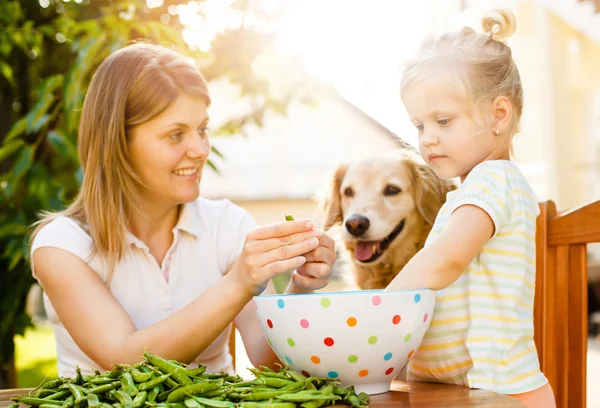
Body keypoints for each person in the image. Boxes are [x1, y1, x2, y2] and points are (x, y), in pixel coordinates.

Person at [29, 42, 335, 378]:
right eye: (176, 135)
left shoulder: (228, 226)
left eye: (202, 129)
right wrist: (237, 284)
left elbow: (268, 361)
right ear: (118, 142)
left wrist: (301, 286)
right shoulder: (61, 246)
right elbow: (124, 360)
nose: (201, 149)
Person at [385, 8, 556, 408]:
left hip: (498, 392)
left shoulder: (495, 180)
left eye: (443, 120)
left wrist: (379, 307)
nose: (427, 139)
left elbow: (445, 261)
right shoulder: (474, 191)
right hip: (464, 391)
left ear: (499, 114)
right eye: (419, 125)